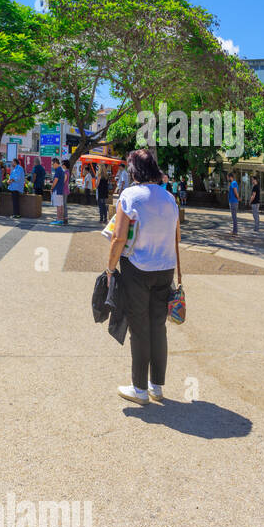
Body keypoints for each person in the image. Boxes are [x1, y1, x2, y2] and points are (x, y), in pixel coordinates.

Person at [107, 149, 180, 405]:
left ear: (133, 170)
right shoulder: (170, 199)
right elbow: (177, 237)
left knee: (139, 327)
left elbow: (117, 238)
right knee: (158, 326)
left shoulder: (129, 196)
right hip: (165, 268)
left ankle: (139, 389)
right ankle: (156, 386)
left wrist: (109, 268)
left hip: (137, 268)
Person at [50, 158, 67, 226]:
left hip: (57, 190)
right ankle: (60, 219)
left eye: (52, 164)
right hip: (60, 190)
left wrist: (52, 188)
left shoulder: (58, 170)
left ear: (56, 163)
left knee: (58, 206)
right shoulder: (61, 170)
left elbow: (55, 180)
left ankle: (58, 219)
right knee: (61, 205)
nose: (52, 166)